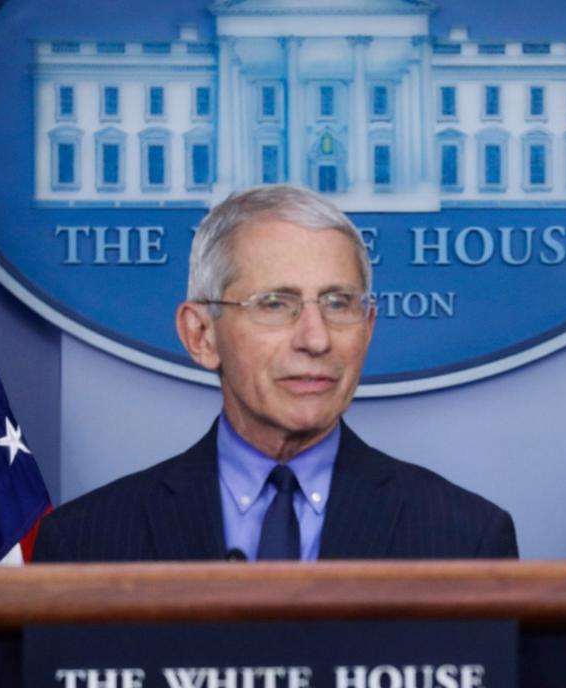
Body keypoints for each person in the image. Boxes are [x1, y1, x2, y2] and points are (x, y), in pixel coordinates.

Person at [34, 185, 517, 562]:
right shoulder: (87, 543)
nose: (316, 338)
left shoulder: (466, 536)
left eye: (338, 303)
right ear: (201, 335)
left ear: (367, 330)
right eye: (275, 304)